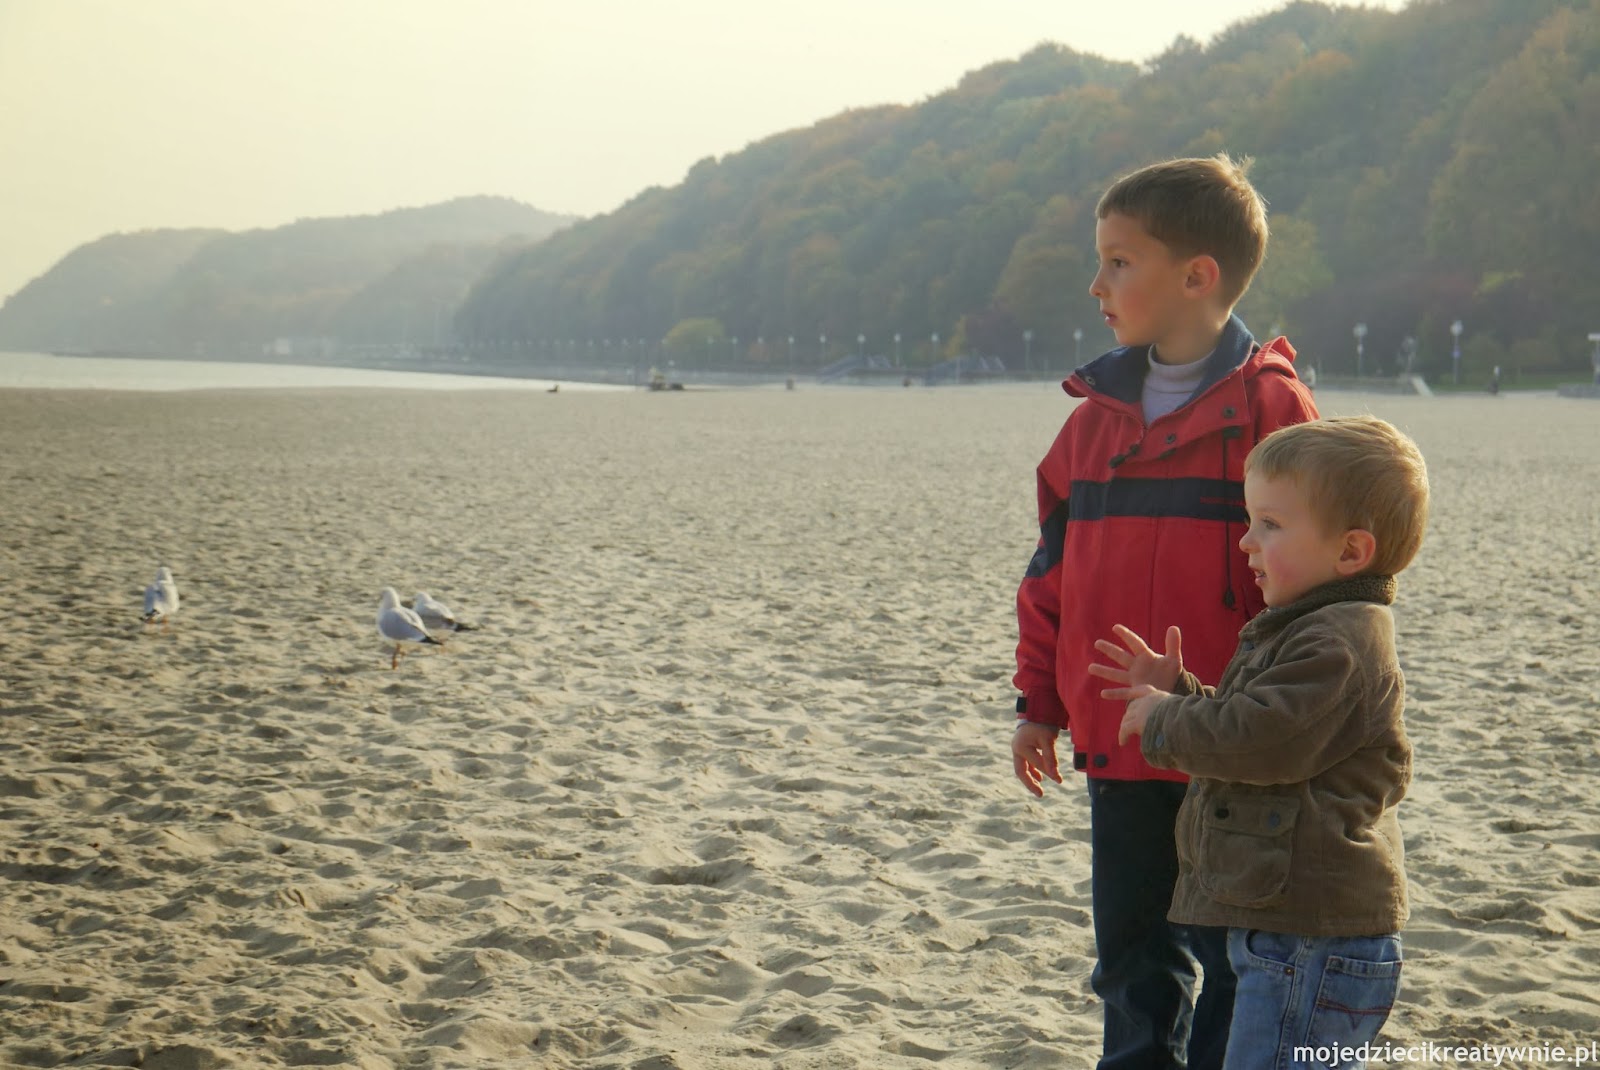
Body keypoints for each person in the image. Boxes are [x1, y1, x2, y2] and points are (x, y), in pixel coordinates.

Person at [1011, 153, 1319, 1070]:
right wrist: (1037, 704)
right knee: (1131, 960)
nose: (1096, 284)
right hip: (1120, 737)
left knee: (1231, 958)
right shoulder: (1089, 424)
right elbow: (1049, 578)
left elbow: (1314, 588)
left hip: (1230, 743)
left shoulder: (1273, 409)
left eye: (1119, 261)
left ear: (1198, 276)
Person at [1090, 415, 1428, 1069]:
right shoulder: (1307, 627)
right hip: (1294, 930)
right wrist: (1183, 692)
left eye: (1269, 525)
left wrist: (1166, 719)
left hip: (1312, 938)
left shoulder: (1336, 641)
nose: (1246, 542)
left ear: (1350, 552)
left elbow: (1263, 743)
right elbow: (1257, 723)